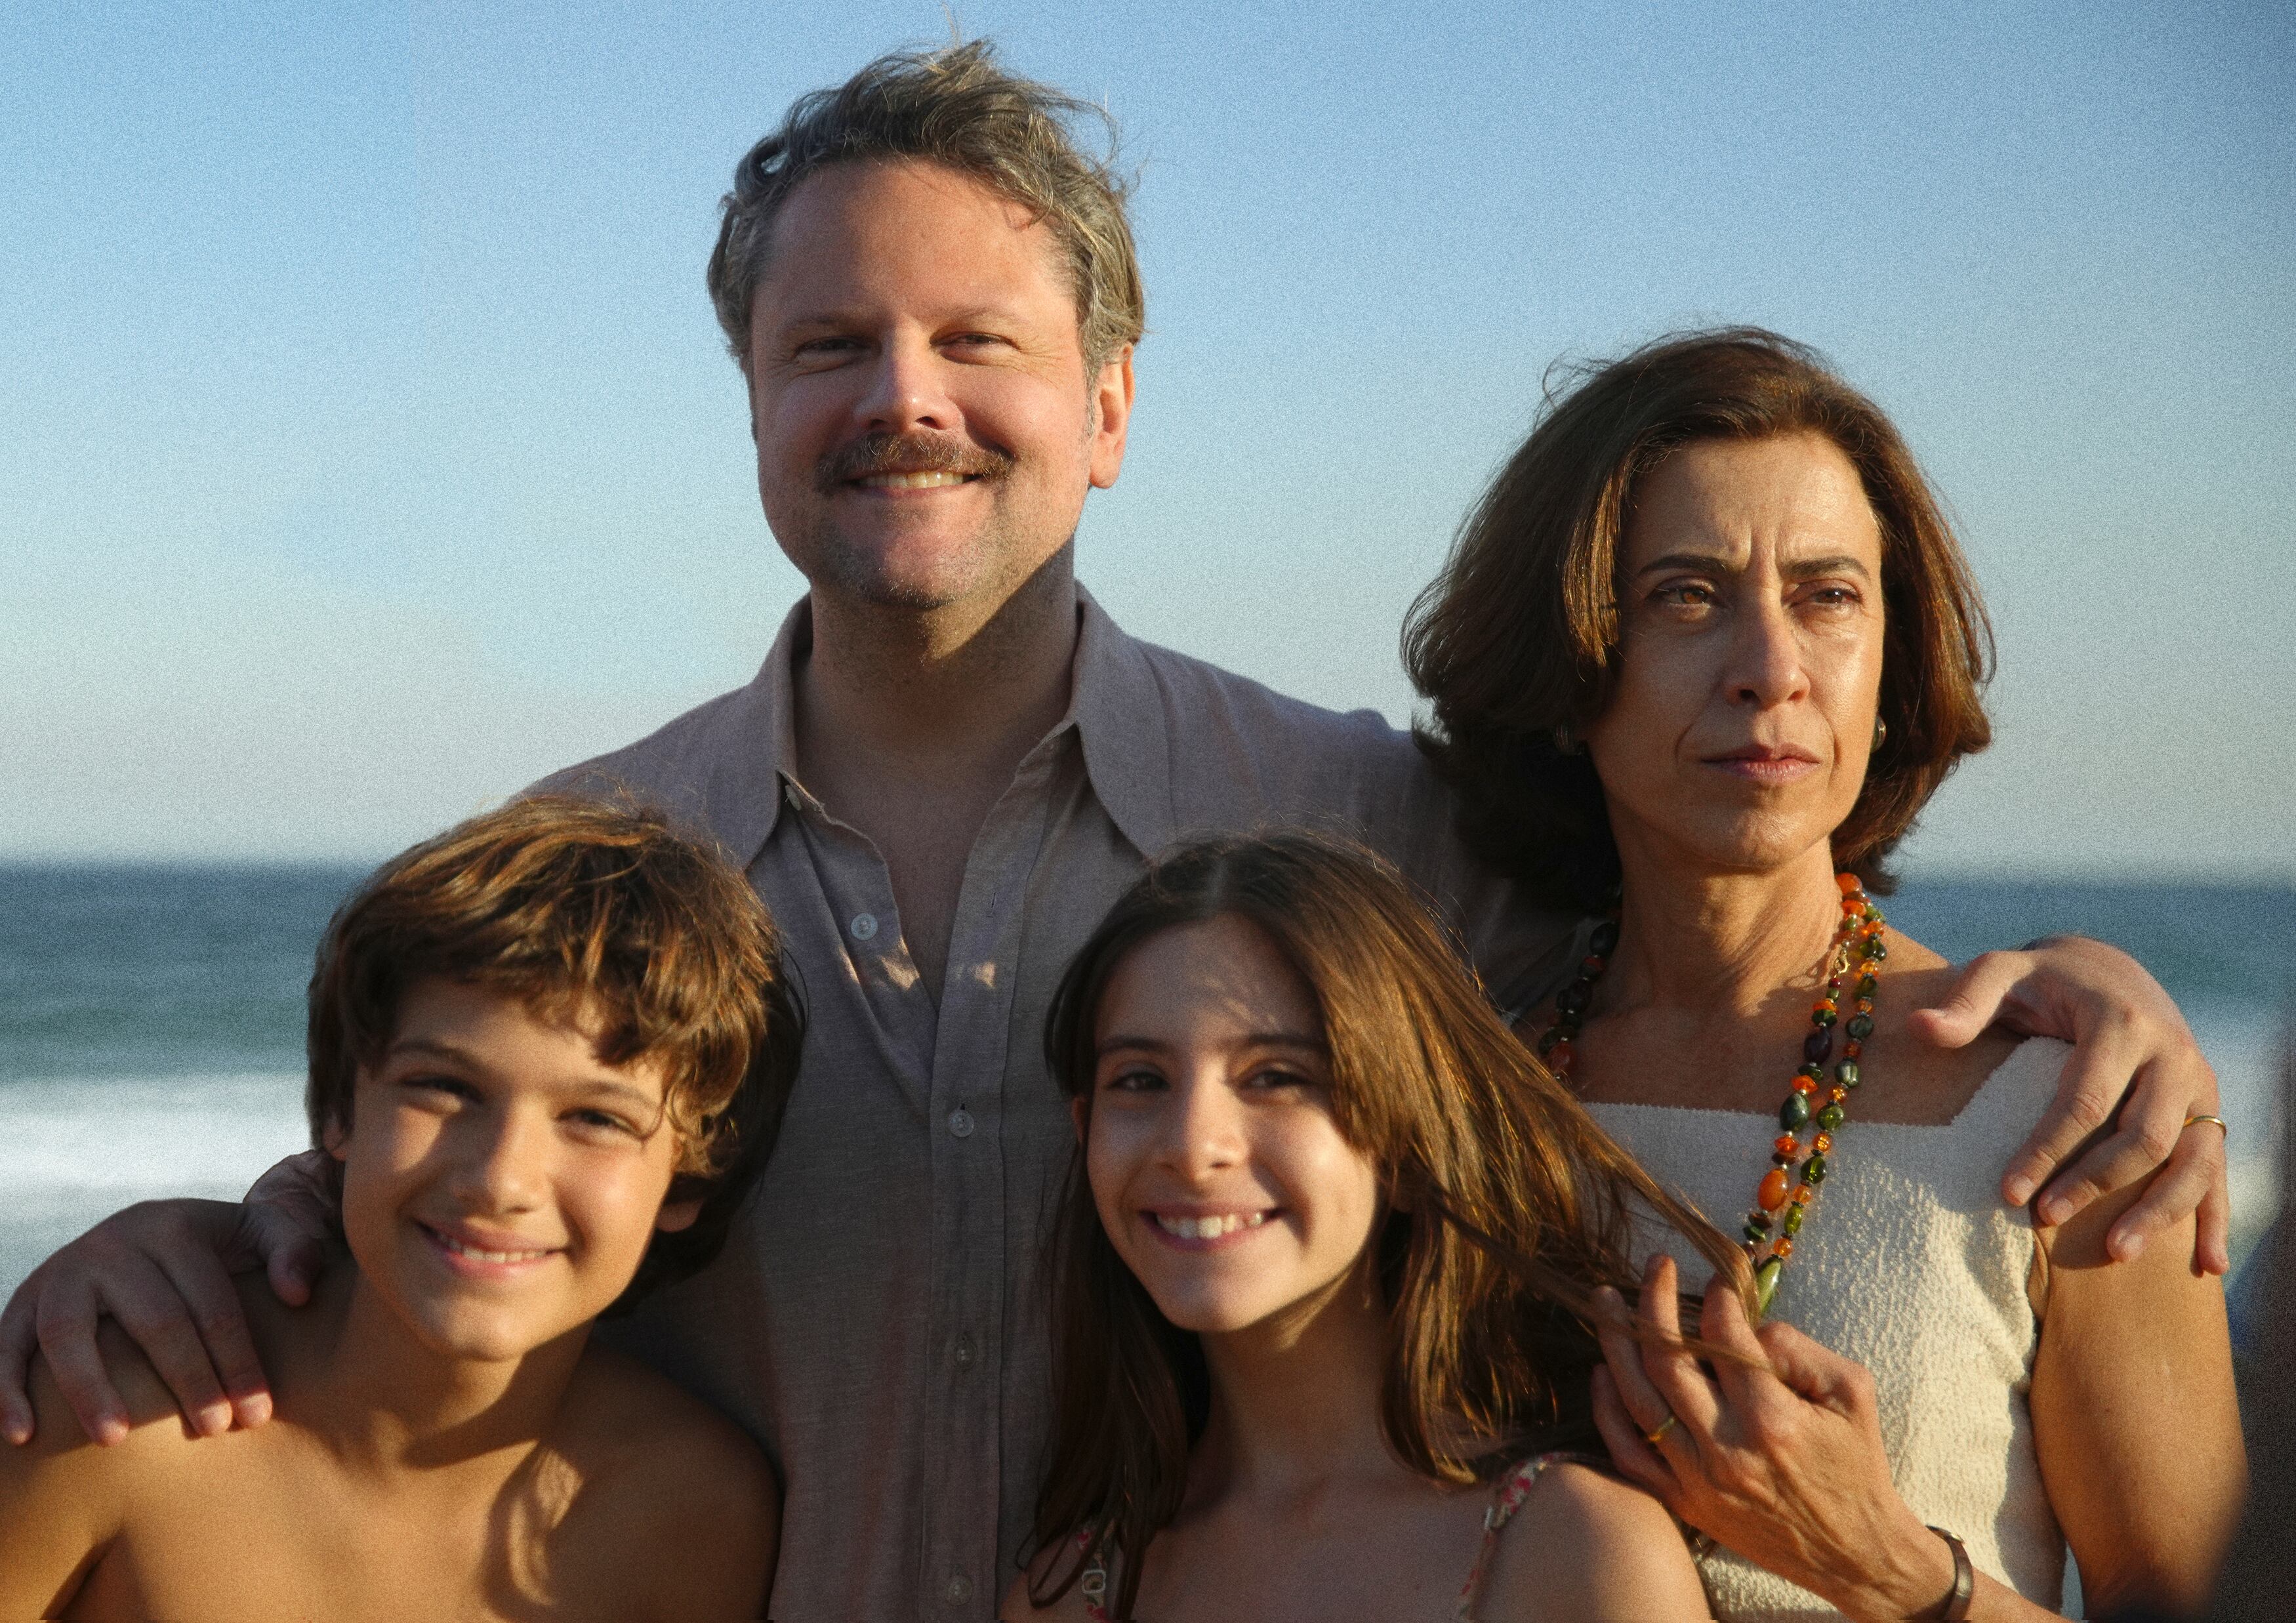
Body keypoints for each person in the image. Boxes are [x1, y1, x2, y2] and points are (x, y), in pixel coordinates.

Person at [0, 46, 2230, 1622]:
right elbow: (452, 1188)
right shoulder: (594, 862)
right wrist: (209, 1227)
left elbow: (1718, 908)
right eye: (829, 343)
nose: (907, 397)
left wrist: (2094, 996)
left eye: (982, 337)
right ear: (754, 400)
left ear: (1113, 405)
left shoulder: (1366, 827)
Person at [1405, 328, 2247, 1620]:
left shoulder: (2068, 1107)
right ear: (1568, 661)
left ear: (1888, 657)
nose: (1772, 668)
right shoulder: (1473, 1102)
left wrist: (1889, 1568)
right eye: (1684, 595)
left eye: (1827, 595)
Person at [0, 796, 796, 1620]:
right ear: (341, 1107)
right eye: (444, 1086)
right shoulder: (114, 1411)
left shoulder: (695, 1511)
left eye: (595, 1117)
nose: (500, 1178)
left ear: (692, 1176)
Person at [1006, 832, 1722, 1622]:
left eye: (1275, 1076)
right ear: (1085, 1129)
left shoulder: (1569, 1549)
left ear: (1410, 1151)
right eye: (1139, 1079)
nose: (1190, 1143)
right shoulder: (1076, 1593)